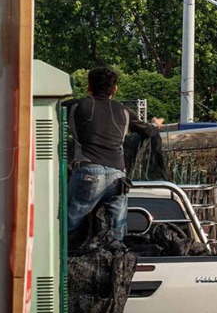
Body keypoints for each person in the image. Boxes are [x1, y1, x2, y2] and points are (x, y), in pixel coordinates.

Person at [65, 66, 156, 240]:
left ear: (88, 87)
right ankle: (117, 255)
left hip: (88, 174)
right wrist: (155, 124)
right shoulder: (124, 111)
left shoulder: (76, 106)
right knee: (117, 233)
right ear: (115, 89)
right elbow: (148, 131)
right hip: (118, 177)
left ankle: (57, 257)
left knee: (66, 228)